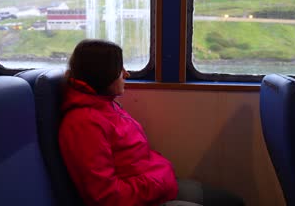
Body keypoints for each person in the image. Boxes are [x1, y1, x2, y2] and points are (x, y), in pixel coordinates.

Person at [58, 39, 244, 206]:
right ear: (102, 73)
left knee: (232, 202)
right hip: (141, 196)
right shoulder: (84, 124)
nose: (126, 74)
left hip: (150, 185)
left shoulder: (105, 105)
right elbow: (107, 197)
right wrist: (158, 180)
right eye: (119, 69)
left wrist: (159, 176)